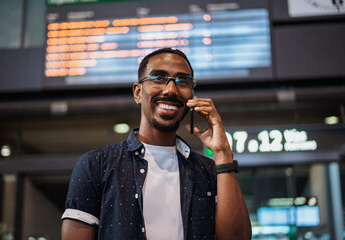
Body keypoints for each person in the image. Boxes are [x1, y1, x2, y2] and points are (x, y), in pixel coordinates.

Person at [61, 48, 252, 240]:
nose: (171, 89)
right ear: (138, 92)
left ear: (191, 96)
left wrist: (222, 154)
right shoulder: (96, 165)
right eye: (158, 78)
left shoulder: (210, 171)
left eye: (182, 81)